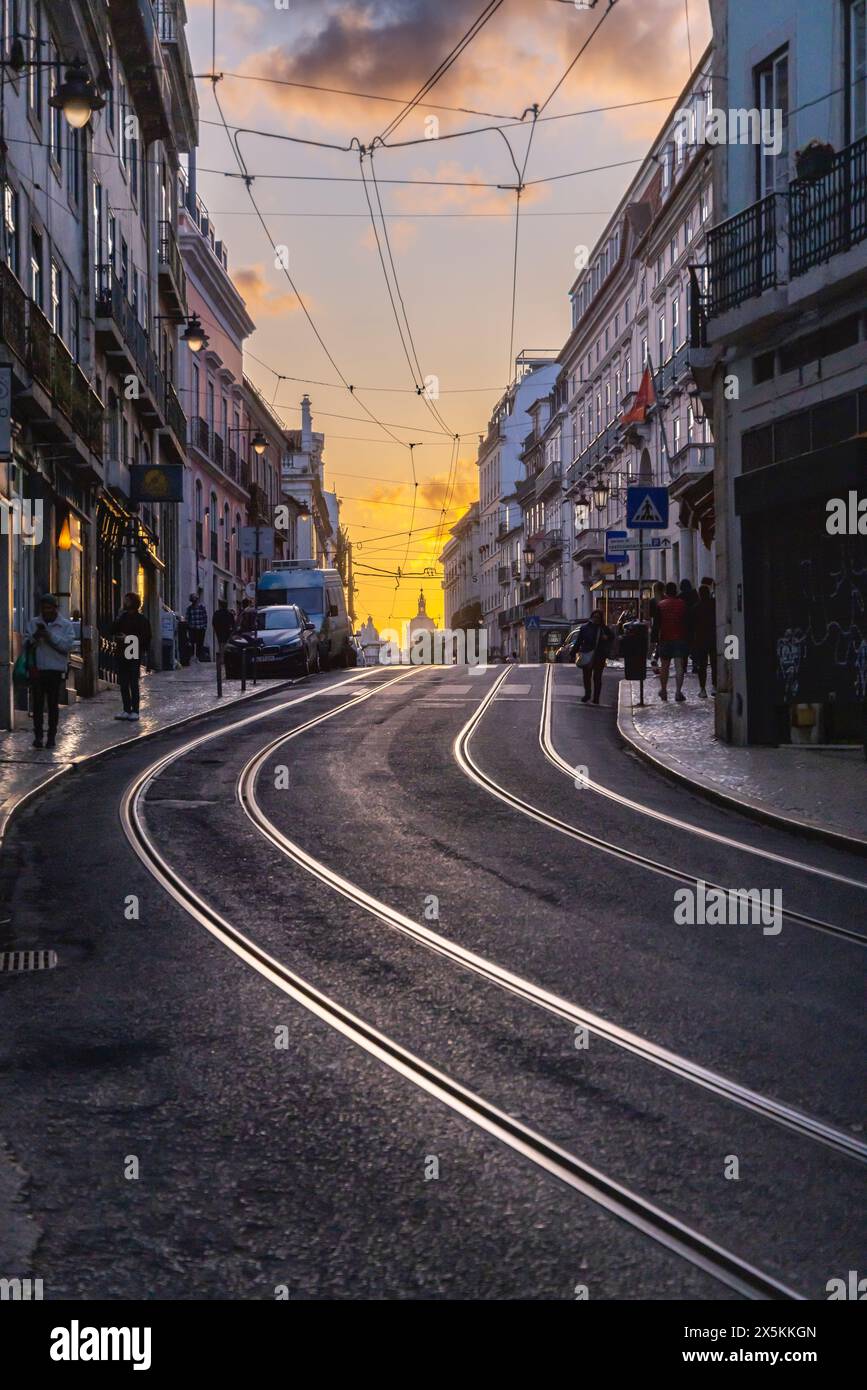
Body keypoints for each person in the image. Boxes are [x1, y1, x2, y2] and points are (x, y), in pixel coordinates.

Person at [24, 595, 75, 749]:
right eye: (44, 608)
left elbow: (66, 647)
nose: (46, 611)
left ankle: (51, 737)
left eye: (49, 608)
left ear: (55, 608)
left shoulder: (65, 626)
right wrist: (35, 637)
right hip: (38, 669)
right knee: (37, 705)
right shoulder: (34, 623)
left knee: (53, 705)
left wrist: (49, 636)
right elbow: (26, 644)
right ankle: (38, 736)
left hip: (55, 670)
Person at [111, 593, 152, 722]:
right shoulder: (122, 617)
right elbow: (112, 629)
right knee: (123, 682)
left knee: (133, 682)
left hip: (133, 651)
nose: (124, 603)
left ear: (133, 602)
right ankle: (126, 709)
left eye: (127, 601)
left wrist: (127, 638)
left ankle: (135, 710)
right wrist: (118, 618)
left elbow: (145, 637)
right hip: (122, 652)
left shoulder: (141, 620)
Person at [656, 581, 689, 702]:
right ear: (676, 591)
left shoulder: (661, 605)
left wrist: (655, 640)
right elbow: (686, 622)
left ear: (666, 591)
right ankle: (678, 692)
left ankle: (664, 690)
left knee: (664, 666)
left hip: (665, 638)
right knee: (679, 666)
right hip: (680, 637)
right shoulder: (682, 604)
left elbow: (657, 625)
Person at [574, 608, 614, 705]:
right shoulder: (585, 628)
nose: (596, 619)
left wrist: (607, 637)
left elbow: (612, 636)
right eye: (594, 617)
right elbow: (579, 641)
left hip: (599, 656)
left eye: (598, 617)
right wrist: (573, 652)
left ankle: (596, 698)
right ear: (591, 617)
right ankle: (587, 694)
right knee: (586, 676)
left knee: (597, 677)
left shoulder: (603, 628)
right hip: (587, 654)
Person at [691, 583, 717, 698]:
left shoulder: (696, 607)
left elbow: (692, 627)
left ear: (699, 594)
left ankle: (703, 689)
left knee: (702, 665)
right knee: (714, 664)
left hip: (701, 640)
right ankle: (715, 686)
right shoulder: (714, 604)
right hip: (714, 638)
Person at [648, 581, 665, 672]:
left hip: (656, 624)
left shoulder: (652, 601)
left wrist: (651, 627)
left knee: (657, 643)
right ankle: (657, 659)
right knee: (661, 643)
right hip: (664, 624)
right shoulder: (665, 599)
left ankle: (654, 658)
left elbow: (650, 615)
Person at [185, 592, 208, 660]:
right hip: (192, 628)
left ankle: (198, 656)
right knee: (192, 642)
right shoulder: (189, 608)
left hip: (201, 627)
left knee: (200, 643)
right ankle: (192, 656)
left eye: (195, 599)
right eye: (193, 600)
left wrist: (204, 626)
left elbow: (205, 617)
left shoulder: (202, 607)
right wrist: (188, 626)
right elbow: (187, 618)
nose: (194, 601)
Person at [160, 601, 178, 671]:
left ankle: (166, 665)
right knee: (170, 651)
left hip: (163, 636)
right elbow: (175, 626)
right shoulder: (172, 615)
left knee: (165, 651)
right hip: (170, 635)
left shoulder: (161, 615)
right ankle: (169, 665)